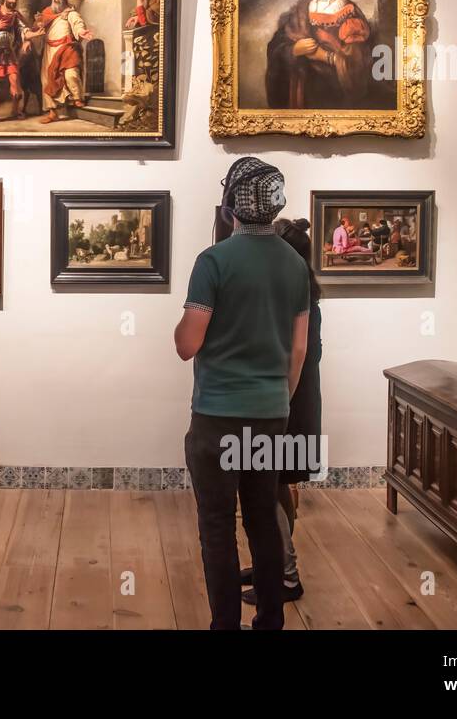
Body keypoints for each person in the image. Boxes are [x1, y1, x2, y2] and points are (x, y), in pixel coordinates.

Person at [174, 157, 310, 630]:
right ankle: (270, 621)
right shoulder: (294, 264)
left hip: (217, 416)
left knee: (217, 527)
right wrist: (279, 400)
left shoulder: (213, 262)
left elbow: (188, 345)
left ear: (230, 205)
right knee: (262, 521)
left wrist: (185, 326)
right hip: (271, 412)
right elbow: (298, 350)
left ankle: (225, 625)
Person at [240, 217, 323, 607]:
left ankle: (286, 578)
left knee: (265, 491)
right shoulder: (300, 290)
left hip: (284, 402)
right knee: (275, 485)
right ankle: (269, 565)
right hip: (293, 401)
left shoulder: (292, 295)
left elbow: (294, 354)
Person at [265, 0, 375, 110]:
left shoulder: (349, 14)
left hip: (333, 101)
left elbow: (358, 68)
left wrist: (326, 56)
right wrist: (293, 50)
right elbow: (276, 45)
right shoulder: (300, 9)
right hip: (300, 97)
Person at [30, 0, 93, 124]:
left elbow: (78, 24)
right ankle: (52, 112)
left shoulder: (70, 13)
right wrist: (37, 24)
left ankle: (77, 97)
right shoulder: (46, 12)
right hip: (49, 50)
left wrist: (81, 31)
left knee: (71, 74)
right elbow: (37, 27)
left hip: (67, 48)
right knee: (47, 80)